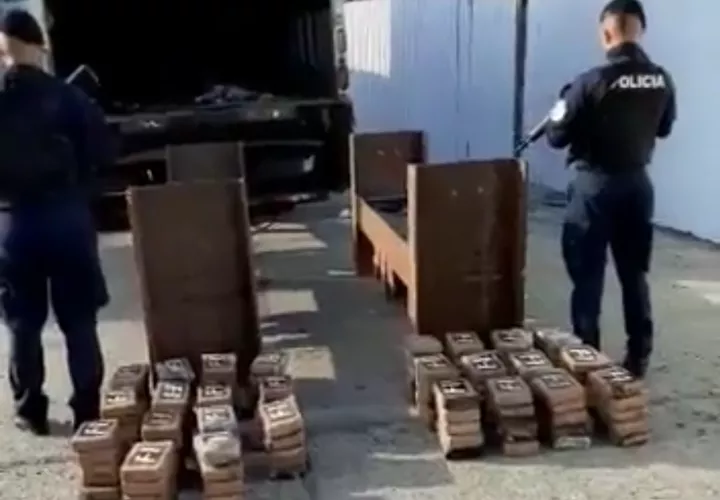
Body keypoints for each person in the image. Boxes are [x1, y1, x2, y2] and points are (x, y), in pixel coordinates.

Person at [544, 0, 675, 378]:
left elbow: (555, 136)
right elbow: (664, 129)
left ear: (606, 33)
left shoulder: (589, 82)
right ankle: (638, 358)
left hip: (595, 188)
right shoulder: (662, 79)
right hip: (637, 186)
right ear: (641, 30)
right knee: (634, 274)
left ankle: (588, 363)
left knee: (587, 277)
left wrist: (566, 103)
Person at [0, 9, 115, 434]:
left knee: (22, 322)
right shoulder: (70, 98)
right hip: (67, 219)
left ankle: (30, 410)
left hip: (14, 224)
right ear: (39, 46)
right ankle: (87, 408)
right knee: (79, 319)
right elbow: (105, 153)